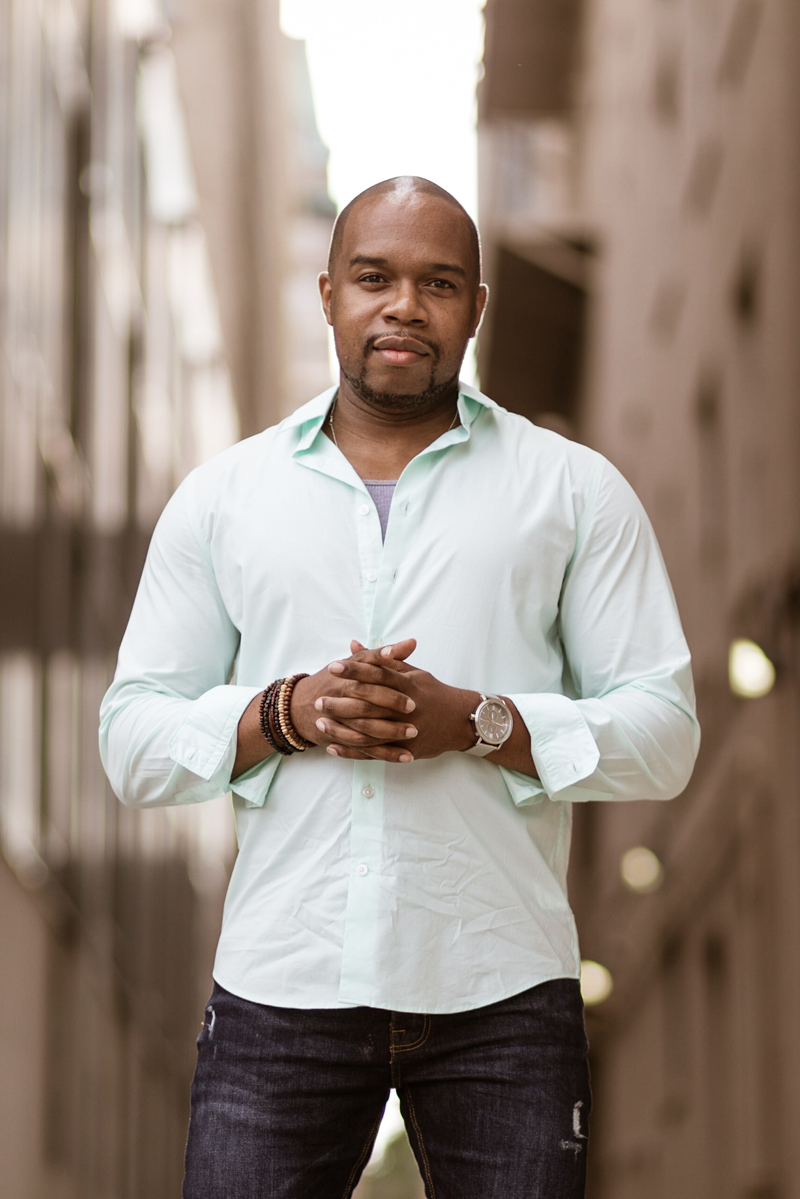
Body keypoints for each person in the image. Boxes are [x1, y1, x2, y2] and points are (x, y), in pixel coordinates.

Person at [99, 176, 699, 1198]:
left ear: (475, 306)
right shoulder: (224, 498)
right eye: (374, 278)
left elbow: (664, 731)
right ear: (327, 292)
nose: (403, 306)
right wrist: (283, 713)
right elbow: (131, 739)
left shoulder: (569, 489)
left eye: (438, 282)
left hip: (499, 982)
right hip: (279, 978)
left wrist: (480, 721)